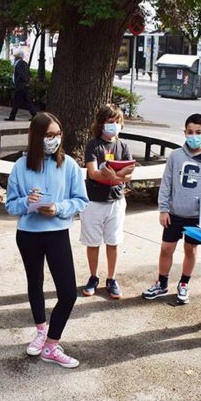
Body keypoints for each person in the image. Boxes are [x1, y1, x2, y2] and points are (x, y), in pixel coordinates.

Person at [5, 112, 88, 368]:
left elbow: (81, 201)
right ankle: (41, 330)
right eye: (48, 135)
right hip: (29, 234)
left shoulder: (69, 165)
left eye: (57, 135)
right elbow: (10, 205)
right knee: (35, 283)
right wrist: (27, 203)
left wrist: (59, 208)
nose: (53, 140)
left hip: (57, 232)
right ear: (36, 137)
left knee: (68, 292)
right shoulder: (21, 166)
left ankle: (52, 343)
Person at [142, 113, 201, 304]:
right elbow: (166, 183)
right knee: (166, 248)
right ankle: (162, 282)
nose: (194, 136)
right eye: (190, 132)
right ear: (184, 133)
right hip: (175, 213)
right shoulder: (176, 156)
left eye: (198, 132)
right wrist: (163, 209)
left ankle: (184, 283)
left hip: (196, 215)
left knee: (190, 249)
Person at [80, 104, 135, 299]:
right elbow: (93, 173)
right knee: (93, 242)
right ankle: (93, 276)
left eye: (117, 122)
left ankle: (111, 279)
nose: (114, 125)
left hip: (116, 201)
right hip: (94, 201)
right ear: (101, 123)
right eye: (110, 122)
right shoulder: (93, 145)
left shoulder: (123, 146)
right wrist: (116, 176)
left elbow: (129, 174)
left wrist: (114, 177)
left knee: (113, 241)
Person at [4, 49, 38, 121]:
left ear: (19, 57)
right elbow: (28, 73)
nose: (14, 57)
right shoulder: (24, 63)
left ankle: (12, 117)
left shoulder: (19, 64)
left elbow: (22, 74)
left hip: (20, 86)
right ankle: (34, 115)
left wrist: (25, 80)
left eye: (16, 56)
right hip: (23, 86)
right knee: (27, 102)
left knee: (17, 101)